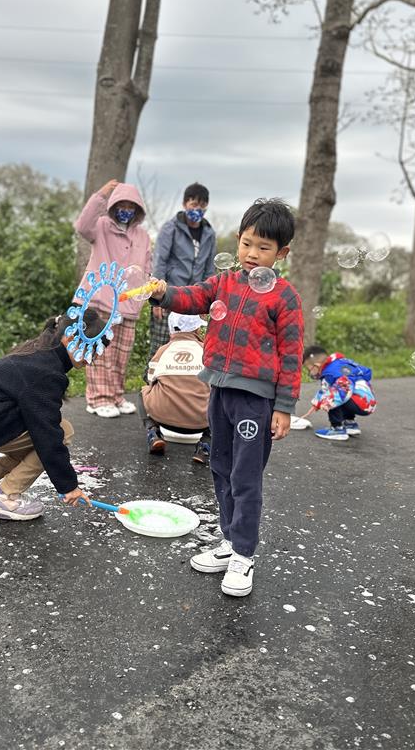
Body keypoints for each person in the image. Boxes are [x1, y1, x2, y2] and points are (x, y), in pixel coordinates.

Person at [150, 198, 303, 598]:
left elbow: (291, 355)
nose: (252, 254)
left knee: (245, 476)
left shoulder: (284, 297)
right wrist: (163, 292)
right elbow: (191, 298)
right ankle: (230, 540)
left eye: (264, 247)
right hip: (217, 390)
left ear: (282, 252)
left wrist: (284, 407)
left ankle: (244, 555)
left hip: (255, 400)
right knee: (219, 467)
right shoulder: (224, 283)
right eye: (247, 243)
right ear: (238, 239)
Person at [0, 308, 109, 521]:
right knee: (61, 432)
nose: (93, 359)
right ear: (71, 337)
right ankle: (5, 496)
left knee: (40, 438)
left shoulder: (38, 353)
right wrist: (69, 486)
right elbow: (47, 433)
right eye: (92, 348)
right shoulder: (46, 371)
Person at [74, 179, 151, 418]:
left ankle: (116, 396)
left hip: (128, 303)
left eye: (131, 206)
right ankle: (98, 399)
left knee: (121, 355)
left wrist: (145, 293)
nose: (126, 210)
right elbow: (82, 226)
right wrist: (101, 195)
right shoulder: (101, 226)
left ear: (137, 209)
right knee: (100, 352)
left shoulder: (143, 236)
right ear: (115, 206)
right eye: (122, 205)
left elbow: (147, 267)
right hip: (101, 299)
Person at [149, 183, 216, 362]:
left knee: (191, 350)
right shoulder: (170, 228)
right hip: (169, 296)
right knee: (160, 349)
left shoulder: (209, 233)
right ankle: (152, 380)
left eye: (202, 205)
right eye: (194, 204)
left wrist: (207, 300)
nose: (198, 209)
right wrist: (157, 298)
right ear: (185, 204)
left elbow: (209, 269)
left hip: (194, 299)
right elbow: (160, 262)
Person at [137, 312, 211, 464]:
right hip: (200, 421)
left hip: (164, 418)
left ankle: (153, 433)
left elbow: (150, 379)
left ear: (171, 329)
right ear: (197, 329)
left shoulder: (163, 350)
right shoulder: (206, 351)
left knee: (142, 392)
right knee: (221, 400)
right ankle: (205, 444)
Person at [300, 346, 377, 441]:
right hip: (368, 402)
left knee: (331, 396)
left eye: (309, 369)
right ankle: (350, 423)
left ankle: (337, 428)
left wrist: (320, 402)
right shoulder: (341, 364)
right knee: (343, 393)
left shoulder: (329, 373)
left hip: (358, 402)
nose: (310, 373)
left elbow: (328, 392)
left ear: (317, 365)